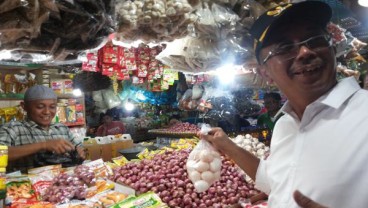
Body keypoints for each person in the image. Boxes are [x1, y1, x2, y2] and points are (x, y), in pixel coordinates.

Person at [199, 1, 368, 207]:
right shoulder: (284, 125)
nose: (305, 51)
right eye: (285, 47)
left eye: (315, 40)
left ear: (332, 50)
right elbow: (275, 182)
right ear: (265, 73)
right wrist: (227, 146)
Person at [0, 85, 85, 172]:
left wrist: (80, 151)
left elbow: (79, 147)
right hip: (25, 185)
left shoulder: (61, 128)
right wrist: (43, 145)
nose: (47, 112)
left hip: (61, 183)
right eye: (40, 107)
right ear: (24, 106)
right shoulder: (12, 129)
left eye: (52, 107)